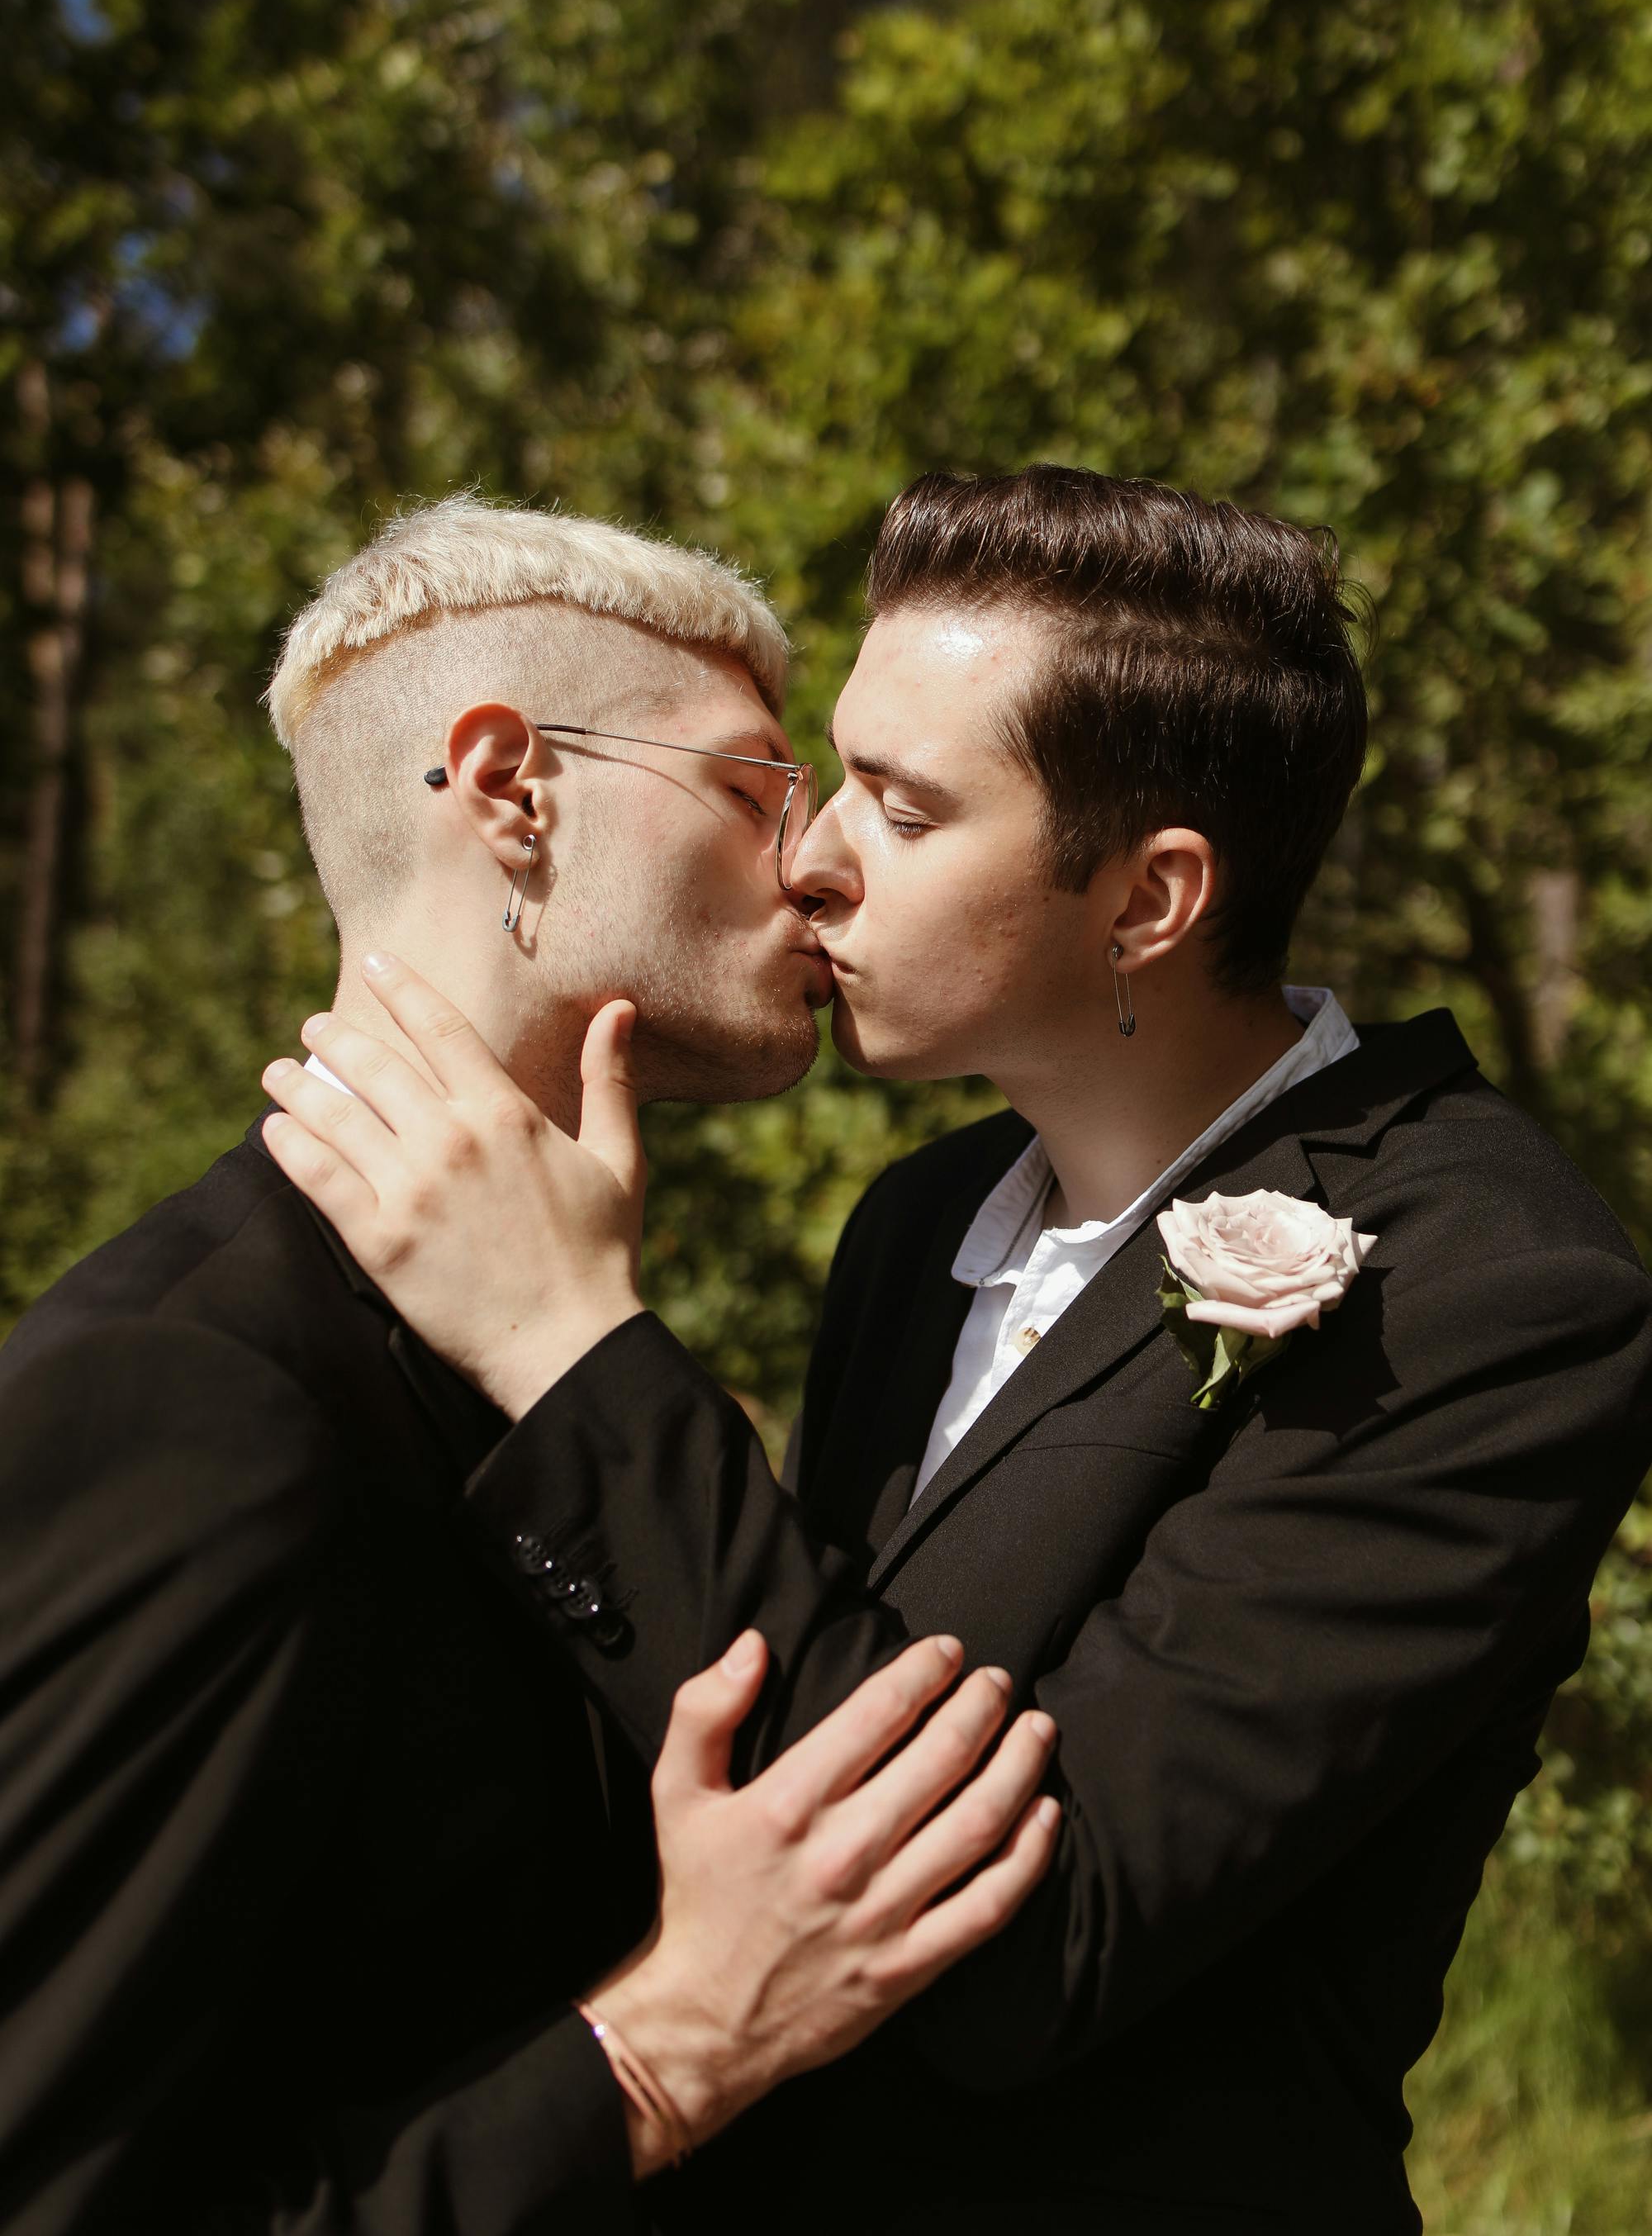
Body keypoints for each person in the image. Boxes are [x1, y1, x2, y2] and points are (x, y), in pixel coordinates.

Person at [268, 468, 1652, 2236]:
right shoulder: (915, 1223)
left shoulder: (1484, 1287)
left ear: (1148, 901)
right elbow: (786, 1707)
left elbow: (1037, 1939)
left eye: (904, 812)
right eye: (832, 772)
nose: (810, 854)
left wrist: (570, 1346)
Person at [0, 497, 1061, 2236]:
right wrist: (659, 2053)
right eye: (749, 790)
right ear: (507, 789)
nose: (810, 862)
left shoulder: (566, 1364)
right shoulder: (197, 1395)